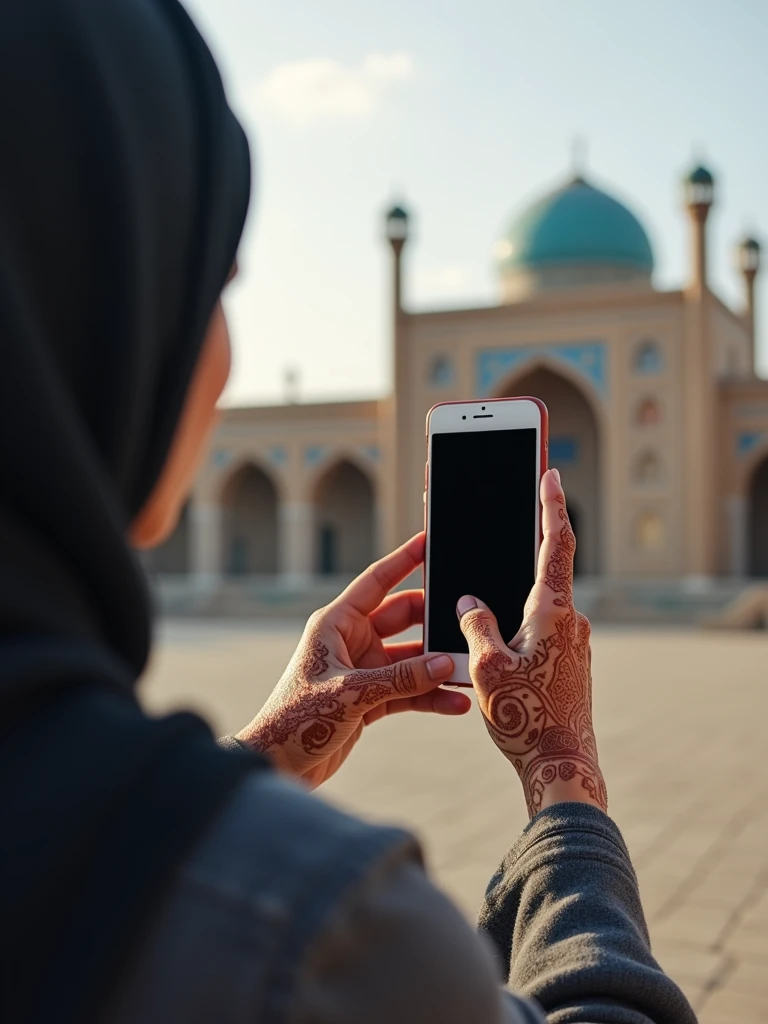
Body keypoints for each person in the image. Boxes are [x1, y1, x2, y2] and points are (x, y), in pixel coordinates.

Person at [0, 1, 697, 1022]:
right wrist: (564, 777)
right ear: (106, 312)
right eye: (212, 287)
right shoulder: (319, 929)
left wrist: (258, 755)